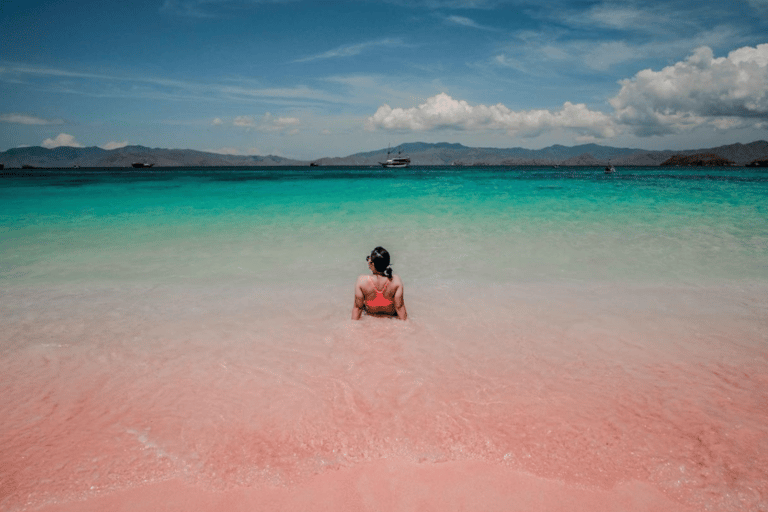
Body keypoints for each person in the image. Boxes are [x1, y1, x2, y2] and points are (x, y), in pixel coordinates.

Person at [351, 246, 407, 320]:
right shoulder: (395, 281)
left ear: (372, 264)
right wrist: (407, 326)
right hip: (390, 316)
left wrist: (353, 327)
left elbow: (358, 308)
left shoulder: (362, 281)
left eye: (369, 259)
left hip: (371, 315)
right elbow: (399, 307)